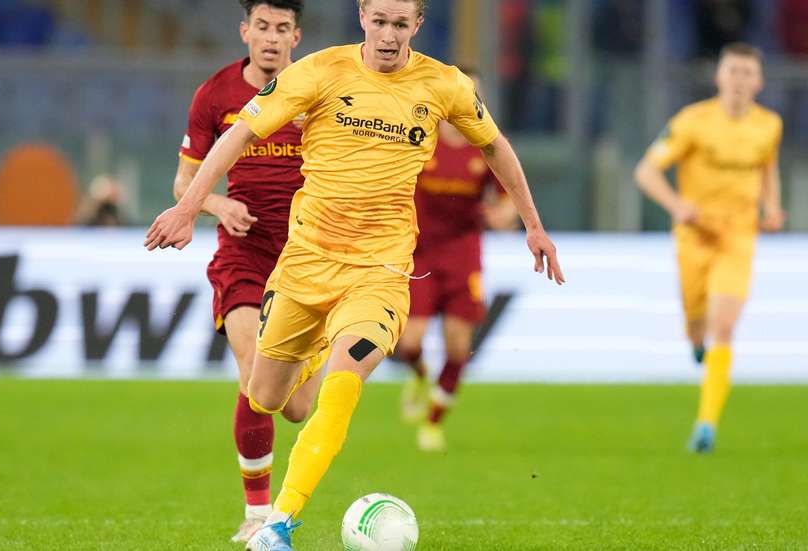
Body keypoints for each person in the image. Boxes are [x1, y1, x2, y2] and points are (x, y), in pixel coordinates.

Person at [145, 0, 564, 548]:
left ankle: (277, 523)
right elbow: (240, 134)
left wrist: (533, 225)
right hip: (305, 265)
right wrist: (189, 208)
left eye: (400, 24)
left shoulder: (445, 85)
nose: (389, 35)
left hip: (379, 271)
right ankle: (315, 352)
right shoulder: (319, 71)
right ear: (363, 16)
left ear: (417, 25)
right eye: (380, 22)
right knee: (269, 397)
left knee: (341, 390)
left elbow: (495, 145)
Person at [169, 0, 324, 543]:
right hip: (244, 252)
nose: (271, 37)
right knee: (253, 373)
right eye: (263, 26)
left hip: (306, 256)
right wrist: (216, 204)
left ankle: (319, 349)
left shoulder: (316, 89)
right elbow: (184, 182)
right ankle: (257, 515)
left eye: (282, 28)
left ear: (296, 37)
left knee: (296, 408)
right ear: (245, 31)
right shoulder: (214, 95)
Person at [635, 43, 785, 454]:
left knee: (724, 326)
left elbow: (767, 168)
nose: (739, 80)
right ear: (719, 76)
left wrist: (772, 207)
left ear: (759, 81)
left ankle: (706, 424)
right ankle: (696, 342)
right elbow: (646, 171)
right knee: (697, 323)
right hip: (695, 236)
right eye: (732, 71)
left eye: (747, 73)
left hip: (738, 236)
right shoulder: (693, 121)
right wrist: (676, 205)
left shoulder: (769, 125)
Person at [395, 67, 519, 452]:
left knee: (458, 348)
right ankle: (419, 375)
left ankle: (433, 424)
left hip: (463, 255)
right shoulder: (419, 137)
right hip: (420, 253)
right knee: (409, 343)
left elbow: (508, 196)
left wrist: (504, 216)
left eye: (473, 92)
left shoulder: (487, 142)